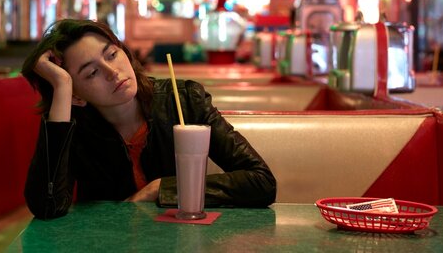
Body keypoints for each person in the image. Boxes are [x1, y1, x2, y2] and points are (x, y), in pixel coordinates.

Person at [21, 19, 276, 220]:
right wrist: (63, 87)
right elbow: (47, 206)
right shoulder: (74, 126)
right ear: (77, 97)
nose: (112, 72)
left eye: (111, 55)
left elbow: (261, 181)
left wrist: (160, 188)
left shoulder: (185, 99)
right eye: (92, 72)